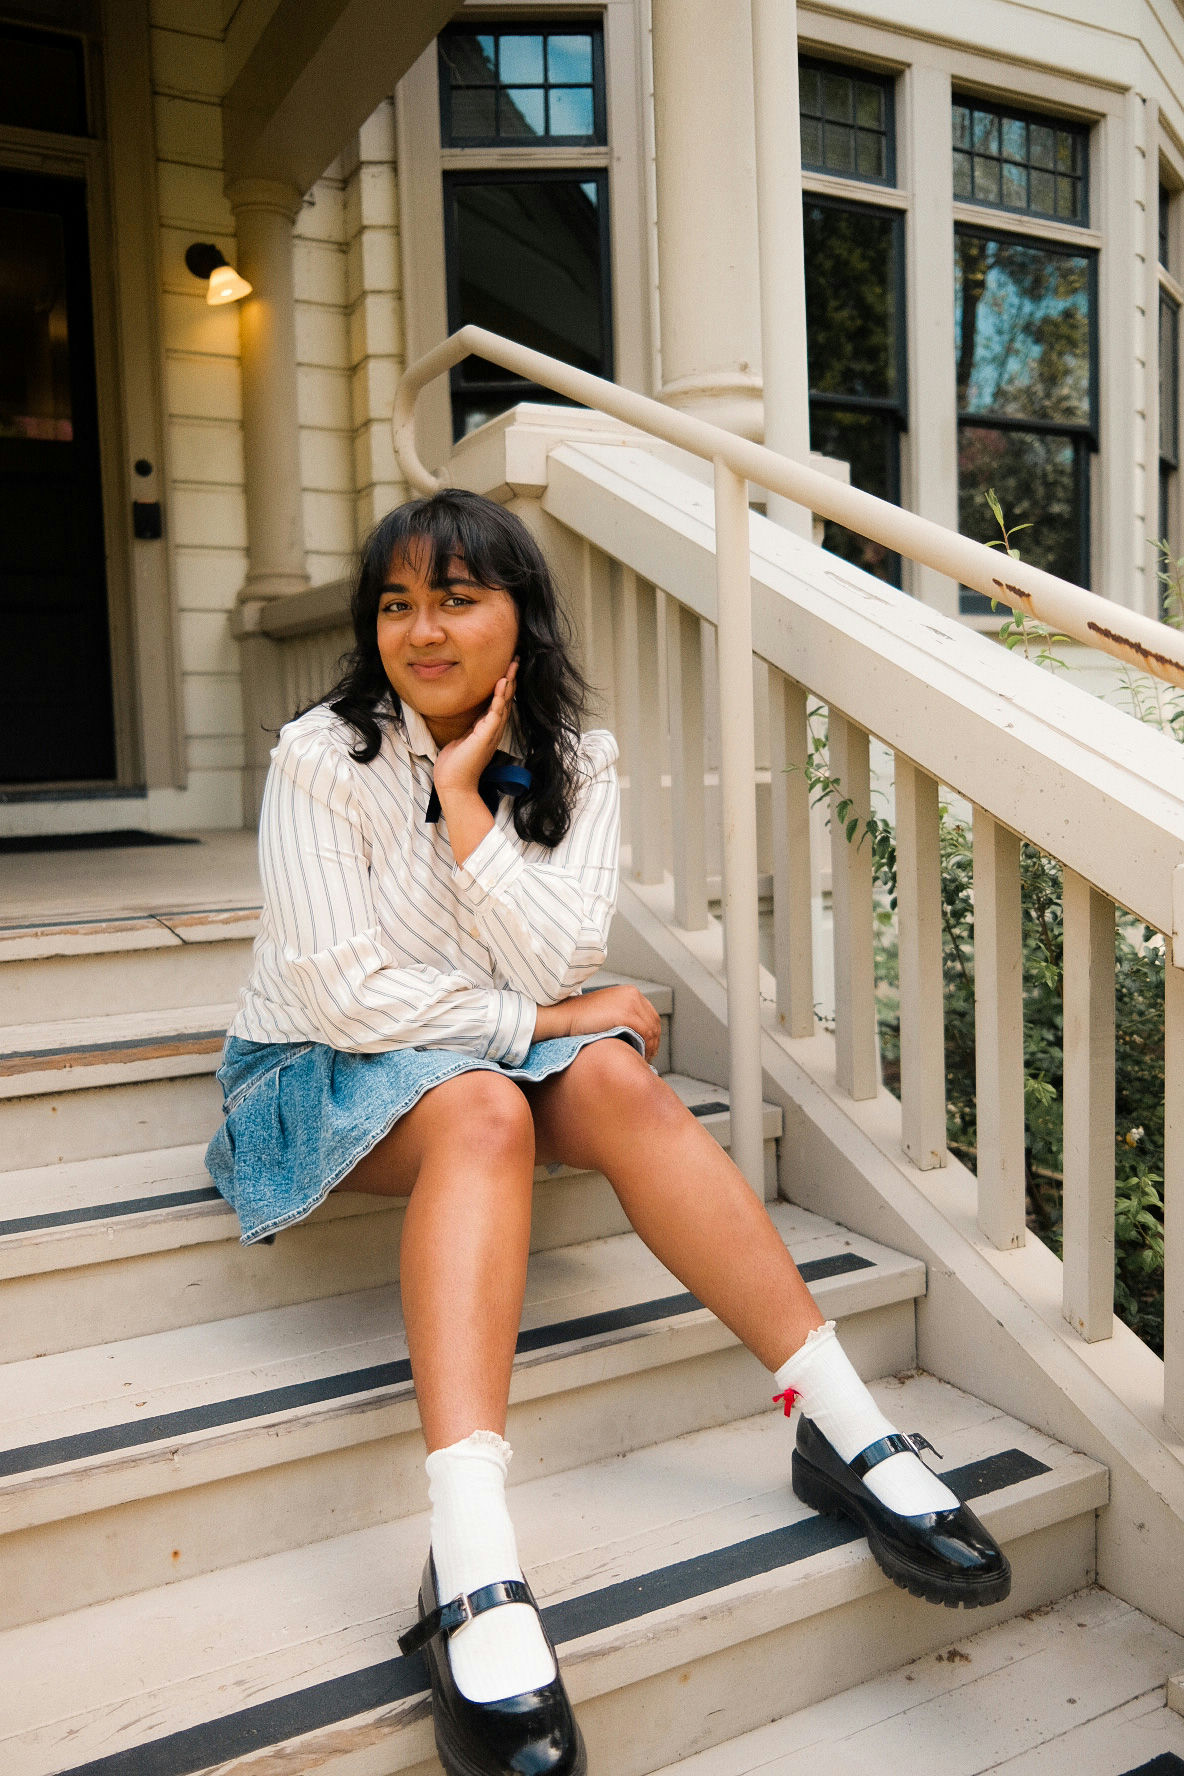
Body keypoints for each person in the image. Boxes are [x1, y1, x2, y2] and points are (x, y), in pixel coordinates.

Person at [206, 489, 1009, 1776]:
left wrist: (469, 803)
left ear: (518, 611)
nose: (420, 630)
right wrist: (543, 1017)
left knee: (623, 1085)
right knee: (483, 1105)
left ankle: (841, 1425)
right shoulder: (324, 754)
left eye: (456, 597)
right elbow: (338, 994)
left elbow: (561, 946)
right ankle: (468, 1551)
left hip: (473, 1036)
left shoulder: (577, 754)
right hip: (317, 1067)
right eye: (396, 603)